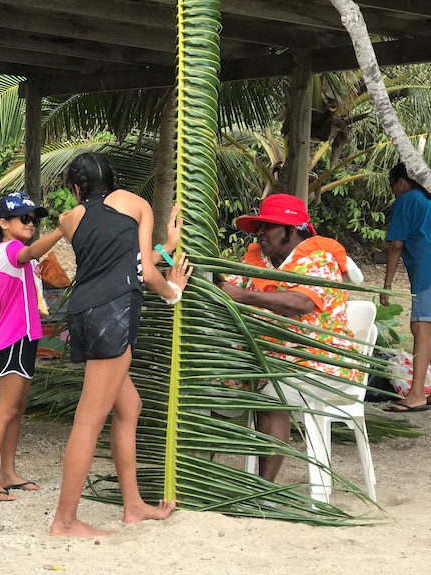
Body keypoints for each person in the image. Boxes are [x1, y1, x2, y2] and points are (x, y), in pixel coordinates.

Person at [49, 153, 190, 537]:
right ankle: (64, 523)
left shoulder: (69, 219)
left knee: (129, 406)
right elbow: (144, 271)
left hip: (81, 312)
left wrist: (163, 249)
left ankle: (133, 506)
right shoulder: (135, 203)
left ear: (77, 189)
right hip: (113, 313)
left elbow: (120, 260)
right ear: (114, 181)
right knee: (89, 420)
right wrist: (173, 290)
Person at [220, 193, 362, 481]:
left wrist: (244, 296)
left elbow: (301, 303)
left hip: (322, 364)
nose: (260, 232)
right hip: (269, 361)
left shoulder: (319, 259)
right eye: (259, 226)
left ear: (293, 229)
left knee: (274, 393)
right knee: (215, 385)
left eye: (268, 226)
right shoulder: (261, 261)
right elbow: (229, 285)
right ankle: (196, 480)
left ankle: (264, 492)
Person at [0, 192, 65, 502]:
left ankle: (8, 472)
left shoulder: (19, 252)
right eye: (25, 218)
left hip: (27, 338)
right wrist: (60, 231)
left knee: (17, 409)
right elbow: (30, 251)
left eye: (35, 219)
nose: (31, 223)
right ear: (3, 223)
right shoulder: (10, 249)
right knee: (5, 410)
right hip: (13, 339)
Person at [381, 162, 431, 412]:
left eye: (393, 187)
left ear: (400, 182)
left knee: (421, 328)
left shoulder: (407, 199)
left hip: (427, 272)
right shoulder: (427, 198)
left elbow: (396, 245)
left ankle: (416, 394)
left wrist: (387, 284)